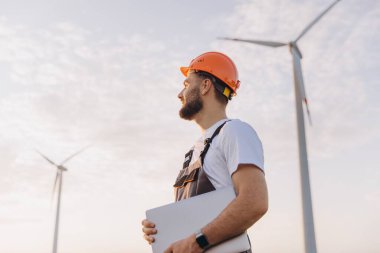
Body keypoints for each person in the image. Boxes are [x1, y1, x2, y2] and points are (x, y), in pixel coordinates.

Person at [142, 52, 268, 253]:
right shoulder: (192, 153)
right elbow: (194, 219)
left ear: (205, 85)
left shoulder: (234, 131)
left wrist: (195, 243)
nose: (179, 94)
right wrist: (161, 232)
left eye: (186, 84)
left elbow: (254, 202)